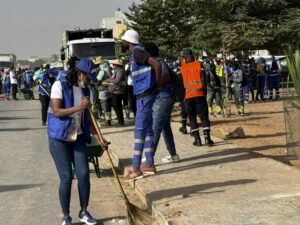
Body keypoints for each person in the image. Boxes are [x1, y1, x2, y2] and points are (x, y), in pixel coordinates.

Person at [48, 58, 98, 225]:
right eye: (88, 76)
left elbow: (88, 119)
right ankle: (66, 216)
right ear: (80, 73)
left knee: (84, 174)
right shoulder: (59, 85)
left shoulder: (85, 91)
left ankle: (84, 212)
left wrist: (100, 137)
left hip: (77, 136)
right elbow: (56, 111)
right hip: (59, 137)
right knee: (67, 178)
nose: (90, 80)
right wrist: (80, 107)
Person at [121, 30, 162, 182]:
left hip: (145, 95)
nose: (122, 43)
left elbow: (156, 65)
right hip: (145, 94)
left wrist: (158, 86)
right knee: (148, 128)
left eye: (123, 40)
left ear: (128, 42)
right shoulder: (137, 53)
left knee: (139, 131)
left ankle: (136, 168)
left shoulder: (137, 52)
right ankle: (149, 164)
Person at [144, 42, 180, 163]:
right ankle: (173, 155)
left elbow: (164, 75)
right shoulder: (157, 60)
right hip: (164, 97)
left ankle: (149, 158)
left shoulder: (158, 61)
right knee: (165, 127)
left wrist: (156, 86)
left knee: (155, 127)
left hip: (163, 98)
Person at [180, 49, 214, 147]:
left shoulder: (182, 69)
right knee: (204, 117)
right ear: (192, 55)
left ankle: (197, 140)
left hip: (188, 97)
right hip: (199, 95)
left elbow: (181, 85)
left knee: (192, 118)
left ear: (185, 57)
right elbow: (204, 81)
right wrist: (204, 93)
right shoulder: (199, 65)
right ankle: (207, 139)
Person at [107, 59, 127, 126]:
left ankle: (121, 122)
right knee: (116, 107)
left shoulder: (120, 71)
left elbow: (117, 80)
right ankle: (120, 122)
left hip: (118, 92)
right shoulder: (117, 70)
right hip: (116, 91)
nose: (112, 65)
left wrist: (109, 80)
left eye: (113, 64)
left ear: (117, 65)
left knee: (117, 107)